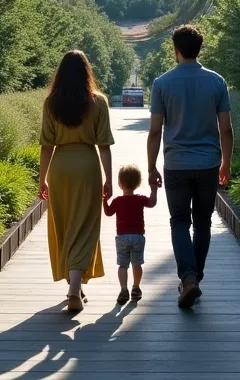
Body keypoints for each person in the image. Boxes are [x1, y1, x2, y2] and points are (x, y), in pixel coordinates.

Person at [147, 24, 233, 309]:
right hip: (208, 163)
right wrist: (226, 163)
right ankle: (194, 277)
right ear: (199, 49)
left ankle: (188, 276)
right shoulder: (217, 82)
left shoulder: (162, 84)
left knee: (180, 221)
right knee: (204, 223)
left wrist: (151, 168)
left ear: (177, 50)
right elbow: (226, 130)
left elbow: (155, 130)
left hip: (176, 164)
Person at [39, 49, 114, 313]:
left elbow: (46, 145)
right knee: (86, 226)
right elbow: (104, 144)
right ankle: (75, 287)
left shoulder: (51, 103)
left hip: (60, 168)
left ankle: (74, 285)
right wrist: (109, 179)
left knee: (65, 225)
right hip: (87, 166)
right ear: (86, 73)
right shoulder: (98, 102)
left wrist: (42, 180)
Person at [103, 164, 158, 305]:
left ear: (120, 183)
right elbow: (152, 203)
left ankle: (123, 290)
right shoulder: (140, 199)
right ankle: (136, 287)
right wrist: (153, 189)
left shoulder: (117, 201)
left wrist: (103, 200)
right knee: (137, 263)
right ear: (138, 183)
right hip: (138, 237)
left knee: (122, 265)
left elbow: (108, 212)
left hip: (121, 237)